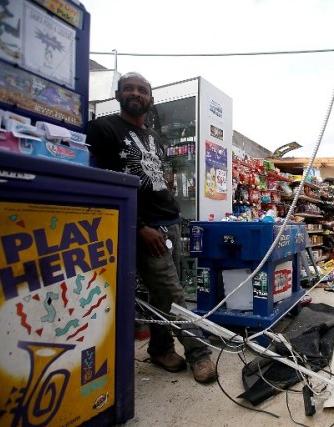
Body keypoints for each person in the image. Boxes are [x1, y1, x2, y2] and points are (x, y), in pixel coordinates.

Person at [86, 72, 217, 384]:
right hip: (141, 226)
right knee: (173, 295)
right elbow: (102, 184)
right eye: (129, 88)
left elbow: (158, 179)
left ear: (150, 100)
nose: (136, 93)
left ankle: (160, 348)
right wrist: (139, 226)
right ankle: (199, 354)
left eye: (142, 90)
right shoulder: (103, 129)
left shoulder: (155, 137)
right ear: (117, 95)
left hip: (170, 223)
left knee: (162, 295)